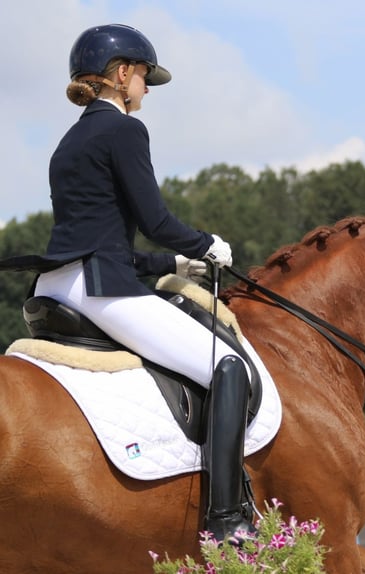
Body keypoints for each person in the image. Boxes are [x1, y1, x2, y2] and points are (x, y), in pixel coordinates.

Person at [1, 24, 255, 544]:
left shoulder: (70, 141)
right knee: (227, 365)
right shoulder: (124, 131)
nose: (145, 89)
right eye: (142, 77)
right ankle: (228, 519)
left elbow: (99, 239)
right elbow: (156, 219)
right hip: (98, 291)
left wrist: (170, 266)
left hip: (54, 287)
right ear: (121, 76)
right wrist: (204, 244)